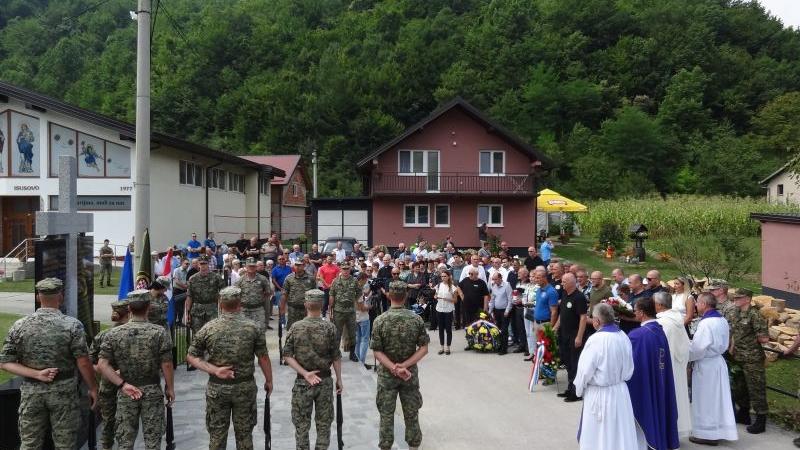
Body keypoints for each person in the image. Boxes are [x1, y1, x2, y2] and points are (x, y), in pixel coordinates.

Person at [0, 278, 98, 450]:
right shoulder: (72, 325)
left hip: (32, 392)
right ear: (60, 296)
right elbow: (83, 362)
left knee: (30, 443)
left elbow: (5, 362)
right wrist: (93, 389)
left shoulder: (20, 325)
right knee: (65, 444)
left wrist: (36, 374)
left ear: (39, 297)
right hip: (64, 392)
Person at [187, 286, 273, 450]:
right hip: (244, 387)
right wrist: (269, 380)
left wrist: (214, 370)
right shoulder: (253, 327)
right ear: (240, 303)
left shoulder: (209, 327)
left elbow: (191, 356)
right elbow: (263, 357)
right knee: (245, 435)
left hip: (217, 387)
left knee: (217, 436)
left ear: (220, 303)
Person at [98, 290, 174, 450]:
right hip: (152, 390)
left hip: (126, 391)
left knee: (125, 442)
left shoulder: (113, 334)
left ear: (129, 310)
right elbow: (166, 364)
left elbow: (102, 364)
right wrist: (170, 388)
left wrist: (122, 384)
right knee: (153, 442)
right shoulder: (159, 332)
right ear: (148, 308)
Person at [370, 281, 430, 450]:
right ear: (405, 296)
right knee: (411, 413)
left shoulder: (380, 320)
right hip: (409, 374)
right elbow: (424, 348)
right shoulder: (416, 319)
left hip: (387, 376)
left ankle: (386, 446)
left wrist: (393, 367)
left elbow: (377, 351)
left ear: (389, 296)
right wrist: (404, 366)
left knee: (386, 414)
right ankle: (413, 446)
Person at [283, 289, 343, 450]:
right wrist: (339, 379)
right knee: (324, 424)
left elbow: (287, 355)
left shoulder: (296, 327)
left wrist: (305, 373)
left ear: (305, 305)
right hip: (324, 380)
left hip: (303, 381)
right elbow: (336, 356)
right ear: (322, 305)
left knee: (301, 425)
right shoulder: (330, 328)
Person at [574, 303, 639, 450]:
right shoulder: (623, 336)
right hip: (620, 391)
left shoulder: (596, 340)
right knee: (619, 432)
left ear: (596, 321)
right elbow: (630, 366)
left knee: (600, 434)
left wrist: (579, 388)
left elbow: (585, 371)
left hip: (600, 393)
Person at [624, 296, 680, 450]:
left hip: (645, 383)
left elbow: (629, 365)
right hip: (660, 379)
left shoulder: (637, 335)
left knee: (648, 408)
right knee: (661, 405)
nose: (634, 313)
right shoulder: (659, 330)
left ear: (641, 312)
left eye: (635, 310)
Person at [688, 292, 738, 446]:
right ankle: (720, 430)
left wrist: (686, 352)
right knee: (717, 398)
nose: (695, 305)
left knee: (706, 399)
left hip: (707, 365)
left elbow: (699, 348)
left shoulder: (706, 323)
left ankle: (707, 434)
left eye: (697, 303)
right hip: (718, 362)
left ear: (704, 304)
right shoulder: (721, 319)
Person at [726, 288, 770, 433]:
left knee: (756, 388)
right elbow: (733, 332)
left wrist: (751, 341)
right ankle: (744, 413)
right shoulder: (734, 313)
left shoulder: (755, 315)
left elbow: (764, 338)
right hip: (738, 356)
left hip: (753, 358)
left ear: (747, 299)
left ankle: (761, 419)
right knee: (740, 387)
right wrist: (732, 347)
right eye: (735, 298)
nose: (735, 300)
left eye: (738, 298)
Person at [90, 300, 130, 450]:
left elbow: (90, 362)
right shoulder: (135, 333)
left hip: (107, 385)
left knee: (108, 422)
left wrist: (106, 371)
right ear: (129, 312)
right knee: (127, 423)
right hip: (130, 385)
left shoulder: (102, 335)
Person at [654, 291, 692, 438]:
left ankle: (667, 432)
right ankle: (674, 430)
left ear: (659, 305)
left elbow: (663, 349)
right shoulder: (677, 319)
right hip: (678, 364)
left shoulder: (664, 323)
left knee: (669, 398)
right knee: (678, 396)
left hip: (667, 367)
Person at [553, 273, 587, 402]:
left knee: (574, 364)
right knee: (567, 363)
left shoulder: (579, 297)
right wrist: (555, 328)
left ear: (572, 282)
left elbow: (583, 318)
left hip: (574, 335)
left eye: (564, 282)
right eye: (562, 281)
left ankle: (576, 392)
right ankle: (570, 388)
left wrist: (579, 337)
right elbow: (562, 314)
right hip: (564, 334)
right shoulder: (565, 295)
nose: (562, 284)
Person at [329, 262, 361, 362]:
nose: (345, 271)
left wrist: (354, 300)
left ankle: (352, 354)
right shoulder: (335, 281)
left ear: (349, 269)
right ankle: (336, 354)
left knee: (352, 333)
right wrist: (331, 310)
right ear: (340, 269)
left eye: (347, 269)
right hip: (338, 311)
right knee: (337, 333)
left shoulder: (354, 280)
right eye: (344, 269)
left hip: (350, 311)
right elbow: (331, 295)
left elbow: (359, 292)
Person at [186, 257, 225, 335]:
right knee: (198, 334)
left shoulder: (216, 277)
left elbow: (223, 294)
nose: (203, 266)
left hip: (211, 309)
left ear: (208, 264)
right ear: (198, 265)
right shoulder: (193, 279)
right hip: (197, 309)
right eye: (201, 264)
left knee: (212, 333)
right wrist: (188, 313)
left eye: (205, 264)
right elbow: (189, 296)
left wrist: (223, 310)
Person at [235, 257, 272, 334]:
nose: (251, 268)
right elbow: (236, 297)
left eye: (253, 266)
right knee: (244, 334)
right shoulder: (240, 280)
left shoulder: (263, 279)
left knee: (260, 333)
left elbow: (267, 295)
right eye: (249, 266)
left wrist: (266, 314)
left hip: (258, 310)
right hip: (244, 311)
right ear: (246, 267)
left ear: (256, 267)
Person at [282, 260, 317, 331]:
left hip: (307, 309)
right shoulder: (289, 278)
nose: (297, 267)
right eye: (296, 265)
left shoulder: (310, 277)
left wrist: (315, 308)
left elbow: (314, 293)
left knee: (307, 329)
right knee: (292, 329)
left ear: (304, 266)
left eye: (300, 265)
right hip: (293, 309)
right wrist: (282, 307)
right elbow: (285, 294)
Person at [458, 268, 491, 337]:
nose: (470, 275)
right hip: (467, 307)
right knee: (468, 325)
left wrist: (485, 307)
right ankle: (470, 340)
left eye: (472, 274)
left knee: (478, 325)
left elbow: (486, 295)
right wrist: (462, 296)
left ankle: (478, 341)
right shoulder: (465, 280)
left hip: (478, 308)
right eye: (469, 273)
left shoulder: (482, 282)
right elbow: (458, 287)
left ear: (477, 274)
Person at [488, 272, 513, 355]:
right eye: (493, 279)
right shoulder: (494, 286)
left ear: (500, 278)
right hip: (496, 311)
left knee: (504, 330)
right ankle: (499, 345)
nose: (494, 281)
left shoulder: (507, 285)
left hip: (504, 311)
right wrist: (490, 311)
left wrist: (507, 310)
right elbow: (492, 299)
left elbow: (510, 299)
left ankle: (504, 348)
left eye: (495, 279)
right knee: (498, 329)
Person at [434, 270, 458, 355]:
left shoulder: (453, 287)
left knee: (448, 329)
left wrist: (447, 299)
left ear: (448, 277)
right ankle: (441, 347)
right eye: (442, 276)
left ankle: (448, 347)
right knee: (440, 329)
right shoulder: (438, 285)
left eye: (445, 276)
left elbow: (455, 300)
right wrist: (436, 296)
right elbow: (435, 295)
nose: (443, 278)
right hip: (439, 309)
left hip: (448, 309)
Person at [355, 272, 373, 369]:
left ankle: (357, 359)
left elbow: (364, 295)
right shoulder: (358, 290)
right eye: (365, 280)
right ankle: (361, 361)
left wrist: (369, 292)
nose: (366, 282)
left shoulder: (353, 288)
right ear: (362, 279)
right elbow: (362, 307)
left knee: (358, 339)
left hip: (355, 317)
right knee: (365, 340)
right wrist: (370, 307)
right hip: (363, 317)